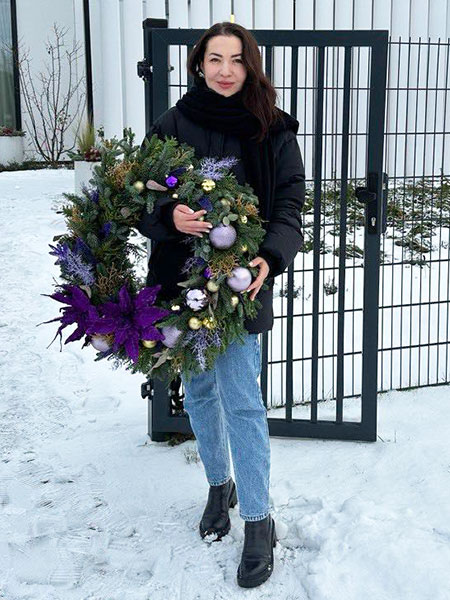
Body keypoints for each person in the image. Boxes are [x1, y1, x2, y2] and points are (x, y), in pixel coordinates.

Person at [136, 21, 305, 588]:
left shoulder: (275, 131)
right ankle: (219, 486)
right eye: (215, 59)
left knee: (242, 398)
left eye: (236, 59)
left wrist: (269, 259)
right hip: (181, 284)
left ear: (251, 66)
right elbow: (139, 197)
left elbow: (289, 206)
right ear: (199, 65)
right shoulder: (173, 124)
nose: (226, 70)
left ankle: (258, 521)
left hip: (240, 286)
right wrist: (167, 217)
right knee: (202, 391)